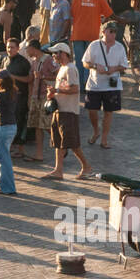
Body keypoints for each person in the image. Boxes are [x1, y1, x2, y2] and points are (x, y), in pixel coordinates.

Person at [42, 41, 91, 180]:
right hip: (60, 109)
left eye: (55, 53)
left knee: (71, 142)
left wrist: (56, 90)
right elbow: (64, 88)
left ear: (63, 54)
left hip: (69, 110)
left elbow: (75, 88)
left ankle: (86, 166)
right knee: (58, 141)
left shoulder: (70, 69)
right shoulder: (62, 69)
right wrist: (52, 93)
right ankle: (58, 170)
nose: (53, 56)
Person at [81, 22, 124, 149]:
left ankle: (104, 138)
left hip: (112, 85)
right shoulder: (94, 45)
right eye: (110, 31)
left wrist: (114, 68)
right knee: (92, 110)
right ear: (103, 31)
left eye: (114, 32)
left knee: (108, 112)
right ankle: (96, 131)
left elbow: (124, 66)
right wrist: (95, 66)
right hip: (94, 84)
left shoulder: (120, 47)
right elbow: (85, 62)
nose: (113, 34)